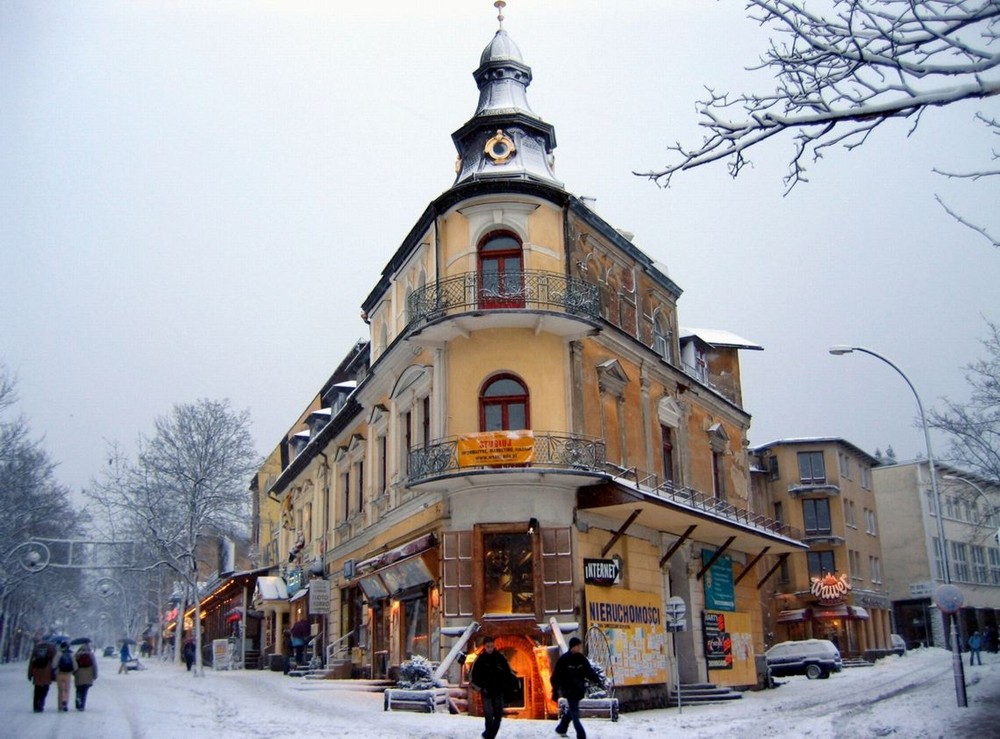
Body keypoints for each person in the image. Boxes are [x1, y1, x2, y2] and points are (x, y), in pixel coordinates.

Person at [551, 636, 601, 739]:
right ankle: (581, 735)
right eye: (577, 646)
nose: (579, 648)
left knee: (572, 711)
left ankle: (561, 728)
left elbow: (589, 671)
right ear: (572, 647)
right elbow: (556, 676)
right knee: (575, 713)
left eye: (580, 646)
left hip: (579, 690)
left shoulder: (581, 659)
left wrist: (598, 681)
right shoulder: (564, 660)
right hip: (569, 690)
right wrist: (555, 691)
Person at [469, 635, 518, 739]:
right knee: (488, 716)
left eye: (491, 646)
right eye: (488, 646)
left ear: (494, 646)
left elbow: (508, 672)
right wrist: (481, 688)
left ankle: (489, 735)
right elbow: (473, 676)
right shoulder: (480, 660)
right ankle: (489, 735)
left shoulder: (500, 658)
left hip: (498, 691)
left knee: (498, 716)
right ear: (484, 647)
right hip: (486, 692)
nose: (490, 648)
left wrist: (507, 686)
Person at [27, 640, 57, 713]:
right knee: (45, 689)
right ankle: (41, 703)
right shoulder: (51, 648)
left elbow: (31, 662)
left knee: (37, 690)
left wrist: (30, 674)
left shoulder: (36, 648)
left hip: (37, 671)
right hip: (47, 671)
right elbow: (55, 662)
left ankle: (35, 706)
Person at [73, 643, 98, 710]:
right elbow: (94, 665)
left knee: (78, 689)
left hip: (79, 674)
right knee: (84, 691)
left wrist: (73, 673)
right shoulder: (91, 655)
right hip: (88, 675)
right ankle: (82, 705)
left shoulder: (76, 655)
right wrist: (95, 675)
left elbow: (73, 665)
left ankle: (78, 701)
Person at [54, 641, 76, 711]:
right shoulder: (71, 654)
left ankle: (60, 706)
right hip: (68, 674)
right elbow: (75, 666)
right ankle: (65, 702)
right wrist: (72, 671)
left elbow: (53, 664)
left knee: (60, 690)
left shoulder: (58, 654)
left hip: (59, 673)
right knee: (66, 690)